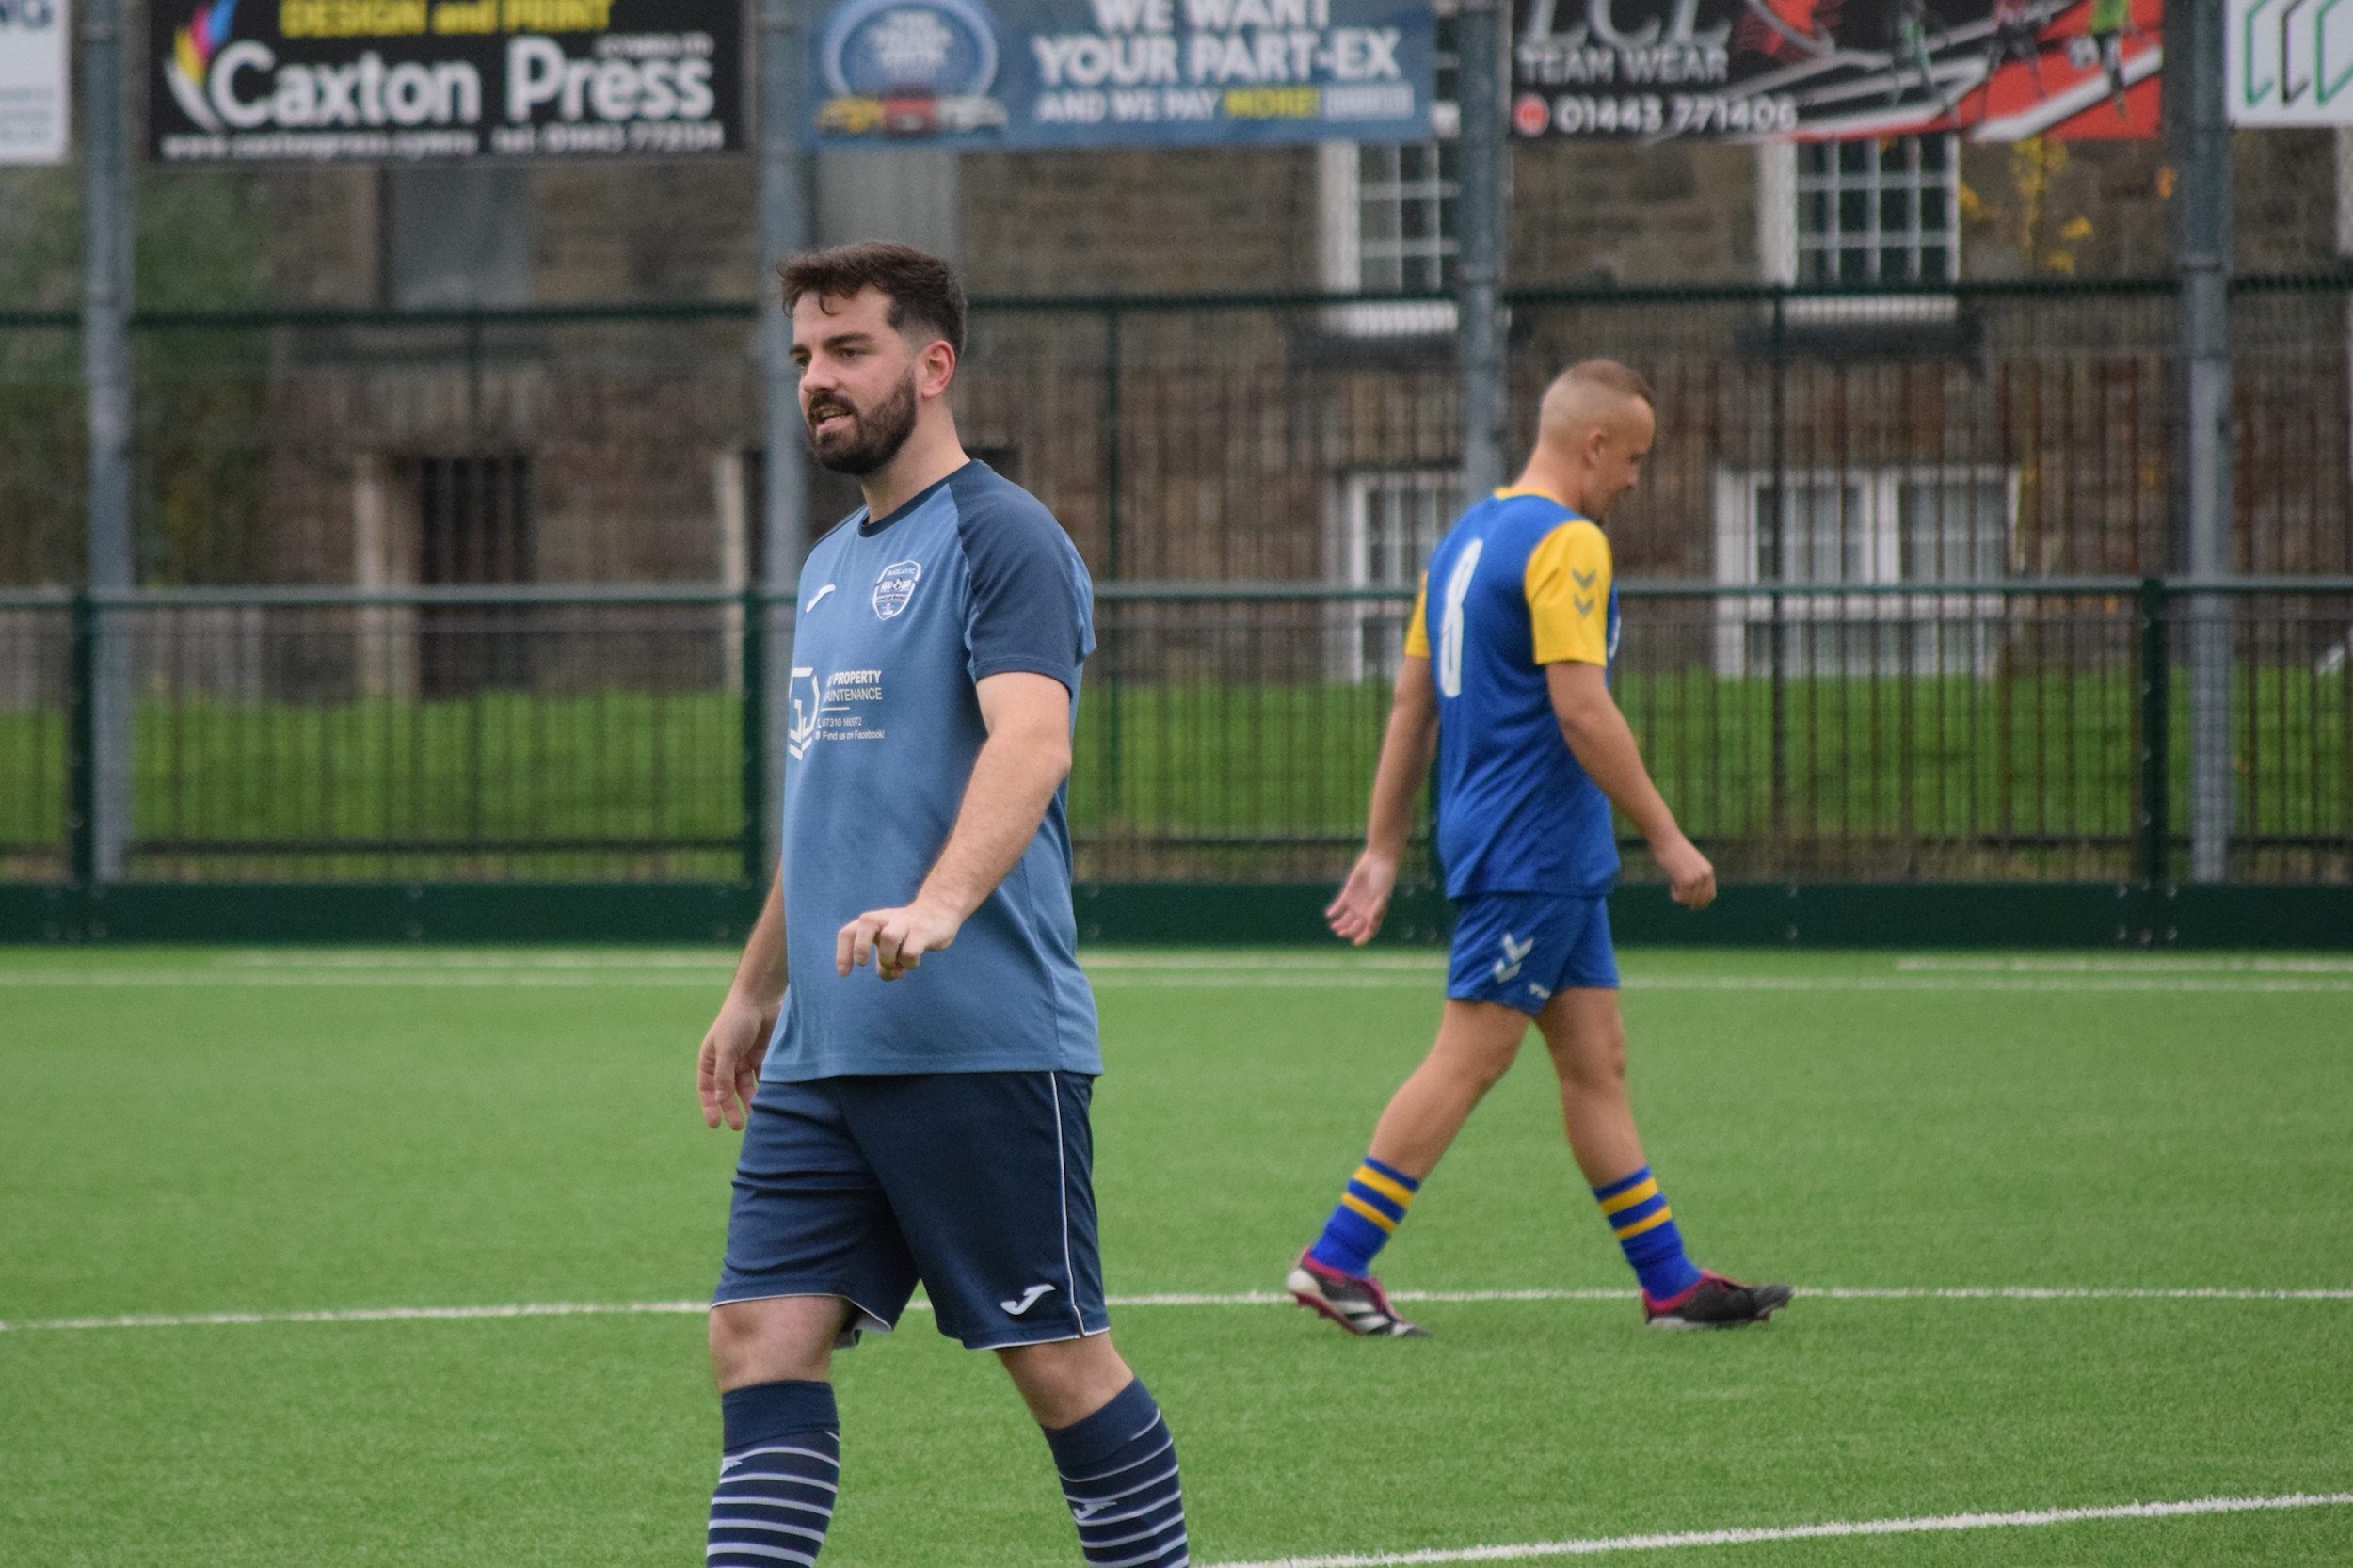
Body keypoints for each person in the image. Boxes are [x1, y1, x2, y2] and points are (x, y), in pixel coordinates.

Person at [695, 241, 1188, 1568]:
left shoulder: (1002, 534)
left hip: (973, 1036)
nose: (818, 379)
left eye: (848, 349)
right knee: (757, 1337)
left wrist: (942, 904)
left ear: (933, 362)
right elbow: (830, 804)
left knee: (1056, 1359)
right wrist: (758, 988)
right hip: (824, 1051)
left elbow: (1031, 740)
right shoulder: (827, 565)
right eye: (803, 354)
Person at [1286, 360, 1792, 1337]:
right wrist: (1669, 836)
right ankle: (1334, 1260)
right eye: (1634, 457)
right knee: (1469, 1056)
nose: (1636, 479)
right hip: (1535, 847)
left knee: (1595, 1058)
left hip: (1516, 840)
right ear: (1593, 445)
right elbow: (1580, 704)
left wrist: (1384, 844)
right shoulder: (1571, 542)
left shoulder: (1465, 539)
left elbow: (1410, 701)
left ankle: (1669, 1283)